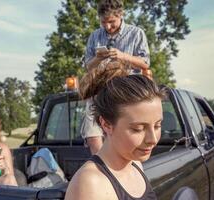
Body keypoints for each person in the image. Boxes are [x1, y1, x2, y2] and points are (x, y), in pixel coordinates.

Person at [66, 74, 165, 200]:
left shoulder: (135, 164)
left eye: (157, 125)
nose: (153, 139)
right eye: (138, 129)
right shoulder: (91, 184)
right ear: (106, 124)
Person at [82, 0, 151, 154]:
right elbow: (88, 66)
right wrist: (98, 58)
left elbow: (145, 63)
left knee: (125, 132)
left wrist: (123, 56)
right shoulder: (95, 36)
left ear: (120, 15)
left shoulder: (136, 33)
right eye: (103, 22)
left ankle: (125, 167)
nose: (107, 26)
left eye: (111, 22)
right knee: (92, 129)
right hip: (100, 89)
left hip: (127, 91)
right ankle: (101, 166)